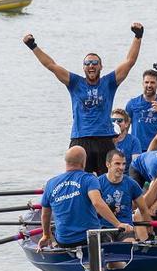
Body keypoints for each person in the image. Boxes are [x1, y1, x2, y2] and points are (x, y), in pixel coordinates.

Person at [22, 23, 144, 175]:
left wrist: (138, 37)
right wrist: (33, 46)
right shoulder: (74, 82)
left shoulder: (109, 82)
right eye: (87, 63)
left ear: (100, 66)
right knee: (77, 179)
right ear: (83, 67)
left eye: (94, 63)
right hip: (80, 138)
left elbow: (129, 62)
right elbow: (51, 65)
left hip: (104, 138)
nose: (91, 66)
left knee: (108, 180)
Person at [38, 146, 134, 250]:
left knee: (56, 233)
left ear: (66, 162)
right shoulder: (88, 179)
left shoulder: (51, 184)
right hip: (89, 239)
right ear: (84, 162)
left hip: (64, 241)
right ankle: (115, 264)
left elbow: (45, 214)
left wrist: (46, 235)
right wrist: (118, 224)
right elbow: (97, 203)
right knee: (113, 256)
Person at [98, 149, 150, 242]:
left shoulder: (131, 184)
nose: (122, 167)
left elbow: (143, 210)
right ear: (108, 164)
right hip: (104, 228)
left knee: (128, 245)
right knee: (106, 245)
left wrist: (150, 232)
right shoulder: (97, 183)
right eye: (117, 164)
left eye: (124, 164)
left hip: (126, 228)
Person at [125, 69, 157, 152]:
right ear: (142, 83)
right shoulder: (132, 103)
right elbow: (124, 127)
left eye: (152, 82)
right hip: (137, 149)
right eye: (146, 82)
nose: (149, 85)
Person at [111, 108, 141, 175]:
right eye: (113, 120)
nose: (116, 123)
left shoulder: (133, 141)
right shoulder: (106, 140)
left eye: (119, 120)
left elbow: (135, 165)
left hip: (127, 176)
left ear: (126, 124)